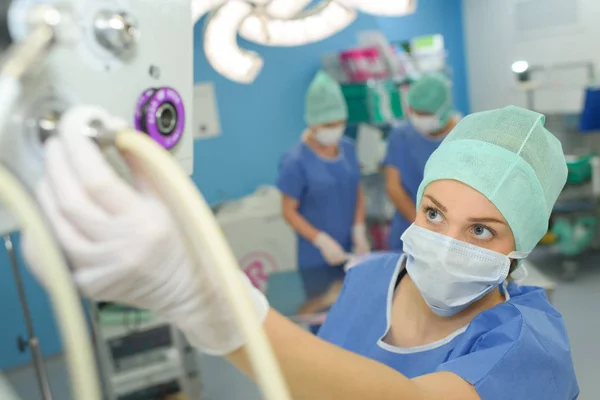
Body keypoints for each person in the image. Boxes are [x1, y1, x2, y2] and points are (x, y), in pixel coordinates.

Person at [25, 105, 579, 399]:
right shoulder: (370, 281)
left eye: (482, 231)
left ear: (519, 247)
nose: (445, 242)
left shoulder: (528, 346)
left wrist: (207, 299)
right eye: (433, 213)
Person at [276, 70, 370, 270]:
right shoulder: (295, 161)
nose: (336, 129)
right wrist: (321, 240)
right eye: (329, 124)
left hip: (351, 246)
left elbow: (357, 189)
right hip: (316, 255)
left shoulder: (348, 148)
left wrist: (359, 229)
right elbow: (288, 211)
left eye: (340, 123)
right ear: (312, 122)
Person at [384, 74, 459, 251]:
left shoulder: (463, 138)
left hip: (452, 235)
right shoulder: (401, 135)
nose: (419, 118)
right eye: (415, 112)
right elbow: (393, 188)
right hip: (409, 228)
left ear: (444, 109)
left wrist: (443, 232)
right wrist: (423, 227)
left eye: (426, 114)